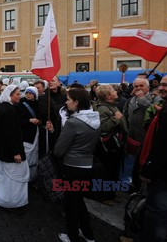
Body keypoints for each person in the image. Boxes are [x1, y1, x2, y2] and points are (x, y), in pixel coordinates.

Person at [138, 74, 167, 242]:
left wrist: (148, 170)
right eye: (161, 84)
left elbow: (163, 147)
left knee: (157, 212)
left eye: (166, 85)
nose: (161, 87)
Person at [54, 88, 100, 242]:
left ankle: (73, 235)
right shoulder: (96, 118)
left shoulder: (73, 123)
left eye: (68, 99)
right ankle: (88, 234)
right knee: (79, 201)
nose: (66, 102)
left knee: (71, 204)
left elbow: (59, 150)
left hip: (72, 166)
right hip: (87, 165)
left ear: (77, 102)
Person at [0, 85, 28, 210]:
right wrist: (16, 152)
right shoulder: (8, 110)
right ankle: (11, 202)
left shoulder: (6, 107)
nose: (20, 96)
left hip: (5, 150)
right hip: (10, 151)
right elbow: (9, 133)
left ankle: (5, 200)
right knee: (11, 180)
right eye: (17, 94)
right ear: (10, 95)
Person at [93, 84, 127, 203]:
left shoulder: (110, 105)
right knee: (107, 171)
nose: (116, 91)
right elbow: (103, 127)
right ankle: (104, 196)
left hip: (113, 146)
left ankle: (110, 194)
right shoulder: (103, 108)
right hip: (108, 147)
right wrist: (116, 118)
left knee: (112, 170)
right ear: (108, 96)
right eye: (113, 90)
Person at [16, 86, 41, 181]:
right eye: (27, 93)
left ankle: (32, 177)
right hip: (25, 134)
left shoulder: (39, 104)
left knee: (34, 155)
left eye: (30, 93)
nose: (28, 95)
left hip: (35, 133)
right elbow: (17, 120)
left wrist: (40, 121)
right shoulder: (20, 104)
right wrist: (29, 120)